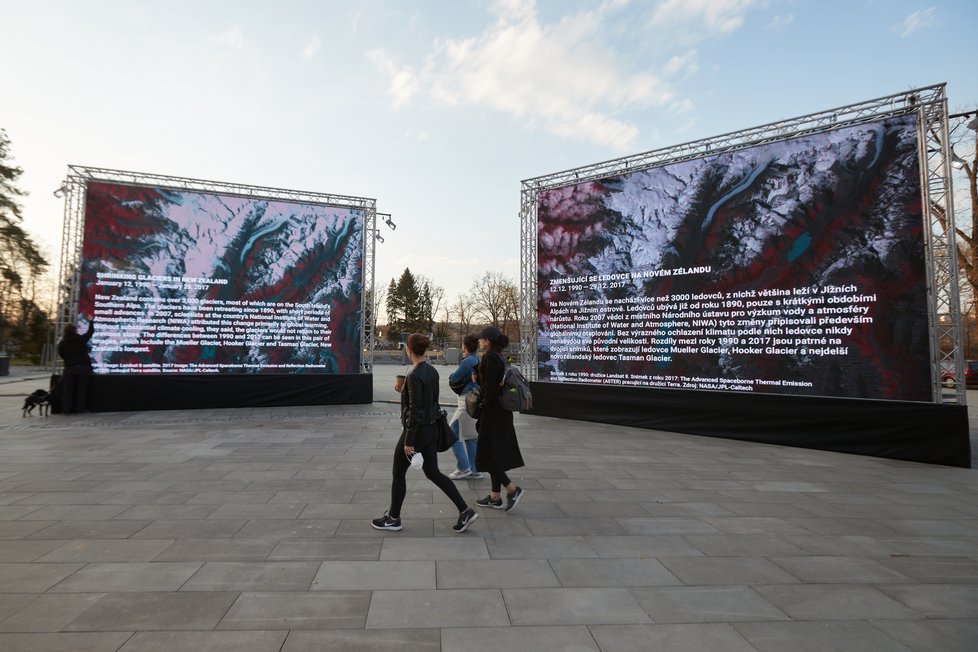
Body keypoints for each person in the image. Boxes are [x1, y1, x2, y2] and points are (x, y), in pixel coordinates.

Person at [372, 333, 478, 533]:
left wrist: (409, 440)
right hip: (431, 430)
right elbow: (427, 401)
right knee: (433, 473)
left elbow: (416, 411)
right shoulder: (431, 371)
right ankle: (465, 510)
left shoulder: (413, 375)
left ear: (408, 350)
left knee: (398, 473)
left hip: (417, 431)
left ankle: (393, 518)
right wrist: (404, 392)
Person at [473, 327, 526, 512]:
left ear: (487, 340)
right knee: (494, 453)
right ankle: (495, 497)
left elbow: (490, 391)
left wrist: (482, 411)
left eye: (481, 339)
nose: (479, 341)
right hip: (502, 412)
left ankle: (512, 489)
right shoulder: (499, 357)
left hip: (492, 413)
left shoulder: (489, 358)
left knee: (486, 455)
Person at [447, 333, 483, 480]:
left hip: (466, 402)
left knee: (451, 434)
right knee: (470, 436)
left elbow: (455, 378)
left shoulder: (468, 361)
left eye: (462, 344)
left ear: (465, 346)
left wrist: (451, 376)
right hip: (474, 400)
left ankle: (463, 467)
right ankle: (475, 470)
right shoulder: (476, 359)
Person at [56, 316, 95, 415]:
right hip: (83, 367)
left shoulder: (62, 343)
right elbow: (90, 332)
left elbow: (61, 353)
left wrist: (68, 360)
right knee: (82, 389)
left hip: (69, 368)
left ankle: (66, 410)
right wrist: (90, 321)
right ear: (75, 330)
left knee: (68, 389)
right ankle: (80, 409)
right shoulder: (81, 339)